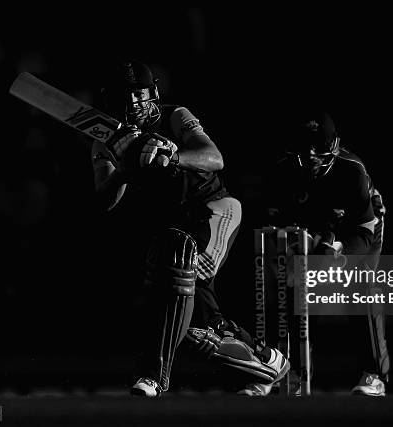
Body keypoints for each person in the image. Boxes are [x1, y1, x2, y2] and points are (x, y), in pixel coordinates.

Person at [90, 59, 289, 397]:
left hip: (215, 211)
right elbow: (105, 200)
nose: (135, 103)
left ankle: (153, 375)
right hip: (174, 228)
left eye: (140, 94)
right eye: (127, 96)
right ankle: (267, 360)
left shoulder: (175, 116)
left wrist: (175, 154)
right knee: (199, 327)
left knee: (183, 278)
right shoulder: (104, 138)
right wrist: (123, 169)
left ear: (152, 92)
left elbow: (215, 158)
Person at [266, 109, 390, 396]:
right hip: (310, 227)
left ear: (333, 144)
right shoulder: (284, 169)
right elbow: (273, 221)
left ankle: (374, 376)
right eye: (305, 146)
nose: (310, 155)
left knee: (361, 289)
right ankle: (294, 373)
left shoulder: (352, 171)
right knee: (298, 288)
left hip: (360, 228)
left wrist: (339, 250)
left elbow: (365, 230)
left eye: (318, 146)